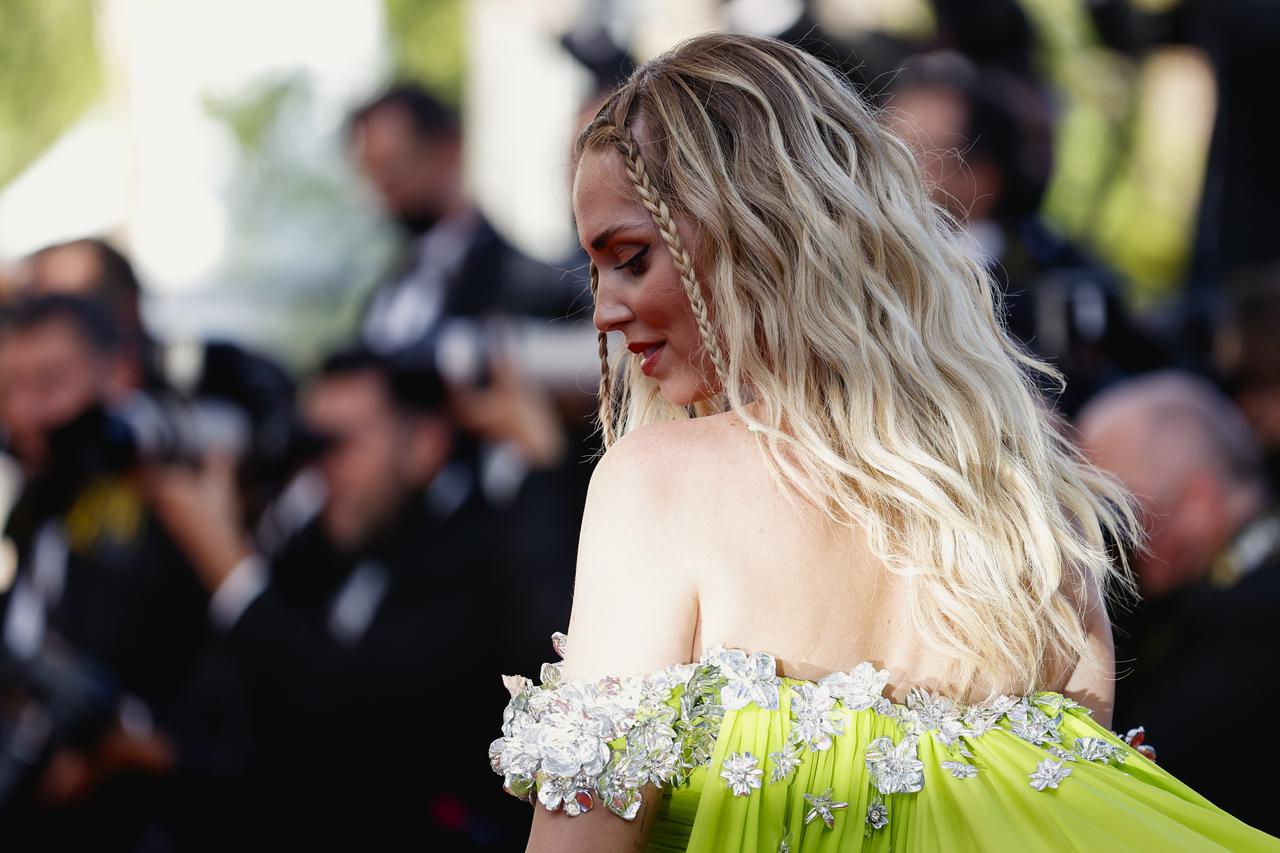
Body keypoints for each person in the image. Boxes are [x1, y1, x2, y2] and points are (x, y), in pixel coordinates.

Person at [486, 33, 1279, 851]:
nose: (604, 312)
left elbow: (579, 840)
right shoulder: (1028, 500)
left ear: (747, 228)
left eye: (630, 258)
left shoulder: (653, 484)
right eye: (595, 272)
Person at [1077, 370, 1280, 835]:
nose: (1112, 542)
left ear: (1198, 501)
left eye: (1124, 510)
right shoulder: (1235, 595)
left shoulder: (1253, 623)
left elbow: (1155, 774)